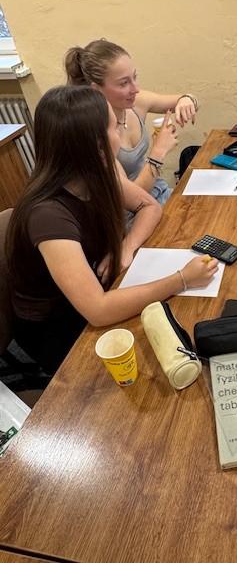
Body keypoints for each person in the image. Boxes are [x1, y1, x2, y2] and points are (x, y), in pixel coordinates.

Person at [6, 86, 218, 375]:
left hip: (98, 289)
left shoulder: (94, 174)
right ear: (96, 145)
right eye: (116, 127)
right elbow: (98, 310)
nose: (121, 132)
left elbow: (149, 207)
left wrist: (125, 247)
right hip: (59, 326)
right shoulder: (48, 215)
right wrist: (181, 279)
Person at [65, 39, 199, 205]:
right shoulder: (95, 132)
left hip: (161, 193)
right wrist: (158, 151)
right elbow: (131, 200)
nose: (135, 89)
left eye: (134, 77)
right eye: (124, 83)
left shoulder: (136, 102)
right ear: (96, 89)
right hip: (136, 212)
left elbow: (188, 99)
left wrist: (187, 100)